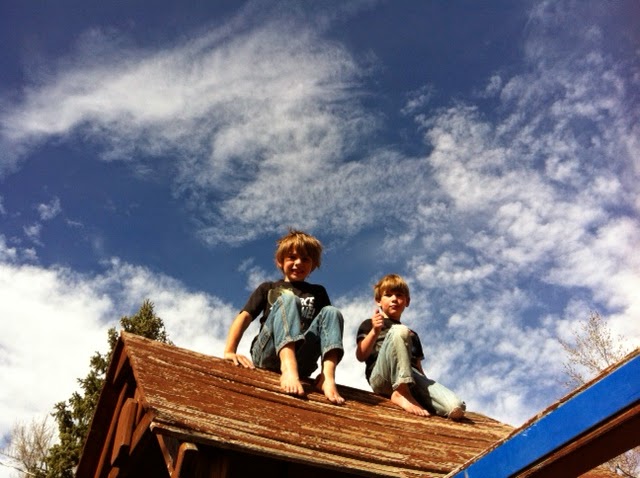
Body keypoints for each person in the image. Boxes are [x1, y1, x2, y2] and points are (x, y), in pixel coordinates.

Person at [224, 229, 345, 404]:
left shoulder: (317, 292)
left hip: (302, 359)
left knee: (332, 312)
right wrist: (229, 351)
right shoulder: (268, 288)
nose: (298, 263)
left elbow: (328, 328)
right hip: (268, 352)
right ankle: (288, 367)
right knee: (288, 298)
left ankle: (327, 377)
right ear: (280, 261)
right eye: (292, 257)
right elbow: (244, 317)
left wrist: (325, 373)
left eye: (305, 259)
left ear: (313, 265)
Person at [356, 274, 465, 419]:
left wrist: (425, 389)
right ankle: (401, 392)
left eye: (399, 295)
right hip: (382, 377)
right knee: (399, 331)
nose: (394, 299)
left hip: (411, 378)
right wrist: (375, 331)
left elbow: (418, 367)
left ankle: (409, 391)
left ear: (407, 301)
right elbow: (361, 355)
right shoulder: (370, 324)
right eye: (388, 295)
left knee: (456, 407)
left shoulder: (412, 334)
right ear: (378, 301)